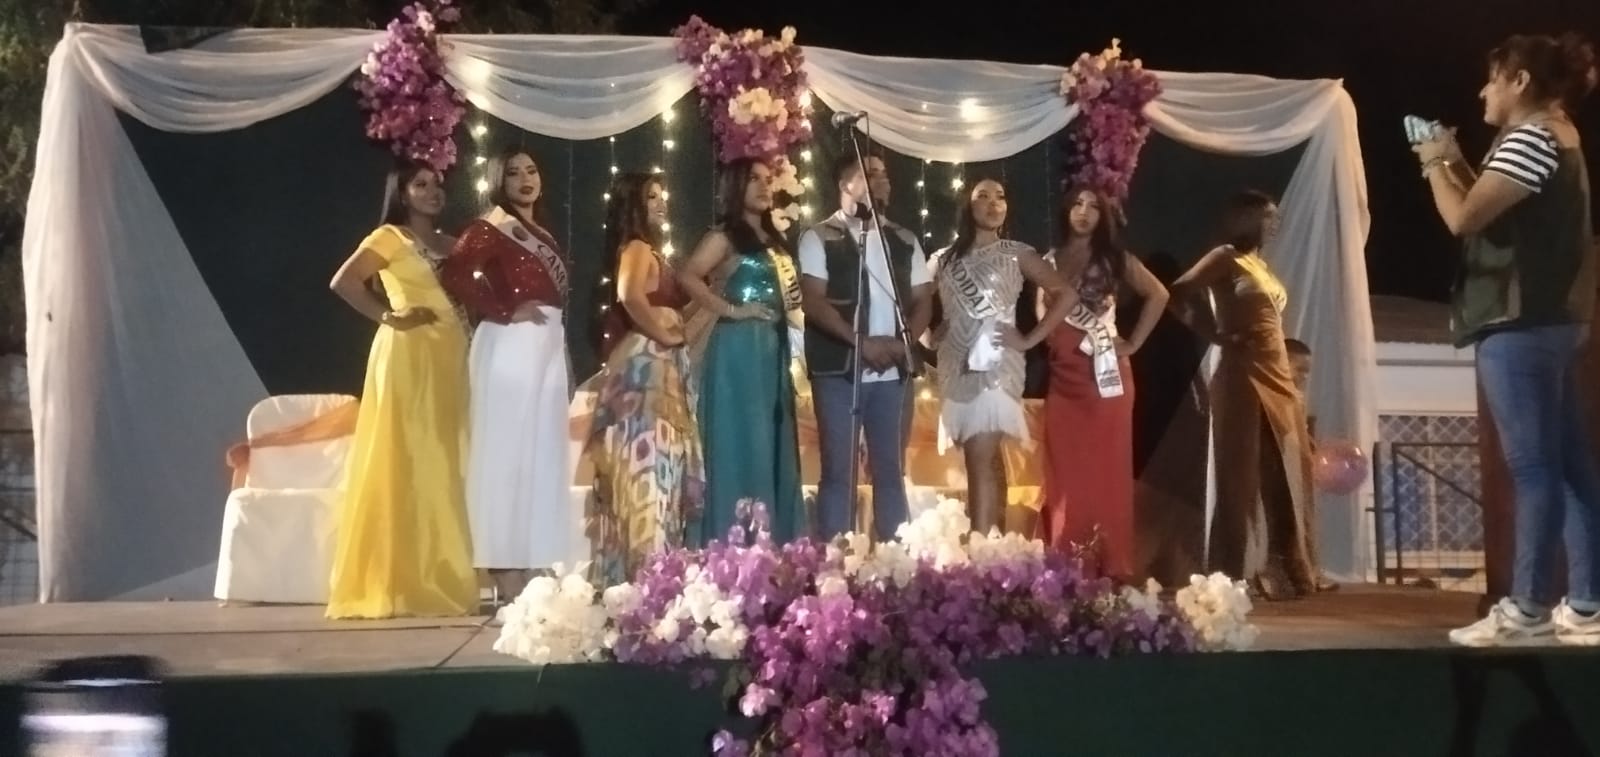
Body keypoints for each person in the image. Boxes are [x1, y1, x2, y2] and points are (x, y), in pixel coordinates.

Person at [1412, 32, 1599, 646]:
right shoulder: (1557, 134)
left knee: (1535, 468)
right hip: (1554, 320)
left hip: (1520, 323)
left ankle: (1527, 611)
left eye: (1492, 79)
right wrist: (1455, 161)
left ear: (1520, 81)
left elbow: (1463, 218)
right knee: (1569, 467)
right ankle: (1587, 605)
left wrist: (1432, 160)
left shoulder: (1531, 137)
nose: (1482, 92)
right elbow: (1492, 207)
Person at [325, 161, 477, 619]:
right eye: (421, 184)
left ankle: (447, 568)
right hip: (409, 358)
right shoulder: (390, 237)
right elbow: (344, 282)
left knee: (450, 460)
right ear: (403, 193)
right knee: (413, 458)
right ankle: (413, 581)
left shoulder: (452, 244)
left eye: (438, 184)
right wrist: (391, 317)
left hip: (452, 357)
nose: (433, 191)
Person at [440, 146, 573, 605]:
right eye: (513, 173)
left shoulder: (541, 232)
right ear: (500, 180)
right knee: (506, 457)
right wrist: (501, 309)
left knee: (541, 455)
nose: (525, 179)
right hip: (510, 345)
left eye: (531, 170)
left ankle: (534, 557)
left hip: (547, 343)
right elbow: (455, 274)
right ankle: (504, 567)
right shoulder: (491, 226)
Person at [1169, 190, 1318, 600]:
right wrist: (1216, 334)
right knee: (1239, 475)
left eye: (1276, 216)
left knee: (1286, 468)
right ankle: (1231, 570)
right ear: (1246, 218)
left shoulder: (1260, 265)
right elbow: (1177, 294)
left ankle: (1286, 565)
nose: (1275, 223)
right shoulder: (1224, 257)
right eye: (1269, 216)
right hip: (1241, 373)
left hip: (1277, 374)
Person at [796, 153, 934, 542]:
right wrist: (860, 343)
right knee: (839, 470)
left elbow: (923, 301)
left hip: (893, 372)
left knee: (890, 470)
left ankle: (894, 560)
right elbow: (814, 301)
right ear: (846, 184)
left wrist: (902, 343)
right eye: (870, 174)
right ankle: (836, 559)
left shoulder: (903, 239)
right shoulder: (819, 236)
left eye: (884, 175)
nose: (881, 181)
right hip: (839, 369)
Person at [1035, 186, 1169, 579]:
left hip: (1104, 375)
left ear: (1103, 216)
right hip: (1063, 377)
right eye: (1077, 203)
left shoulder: (1115, 258)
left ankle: (1106, 559)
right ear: (1066, 211)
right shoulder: (1047, 260)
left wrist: (1134, 342)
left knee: (1106, 470)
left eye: (1093, 206)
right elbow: (1042, 315)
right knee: (1064, 470)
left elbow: (1158, 294)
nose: (1084, 211)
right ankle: (1065, 556)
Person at [929, 178, 1076, 534]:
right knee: (980, 459)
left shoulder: (1017, 252)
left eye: (1001, 197)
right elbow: (913, 304)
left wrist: (1029, 339)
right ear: (967, 205)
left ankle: (981, 547)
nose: (994, 203)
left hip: (998, 364)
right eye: (983, 196)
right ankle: (992, 543)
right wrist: (929, 339)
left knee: (980, 458)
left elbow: (1066, 294)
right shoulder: (943, 259)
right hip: (955, 366)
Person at [584, 172, 705, 585]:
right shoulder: (636, 247)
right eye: (651, 196)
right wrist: (664, 334)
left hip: (662, 371)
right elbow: (629, 295)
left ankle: (652, 577)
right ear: (634, 204)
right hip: (646, 377)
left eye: (661, 194)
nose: (661, 202)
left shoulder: (650, 249)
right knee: (649, 471)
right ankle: (646, 579)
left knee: (660, 473)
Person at [677, 158, 805, 546]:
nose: (764, 186)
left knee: (771, 441)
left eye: (768, 180)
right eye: (753, 179)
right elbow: (687, 275)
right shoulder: (726, 236)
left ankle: (773, 543)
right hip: (738, 352)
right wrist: (731, 309)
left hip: (772, 349)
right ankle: (732, 544)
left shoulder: (774, 241)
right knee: (742, 441)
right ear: (735, 187)